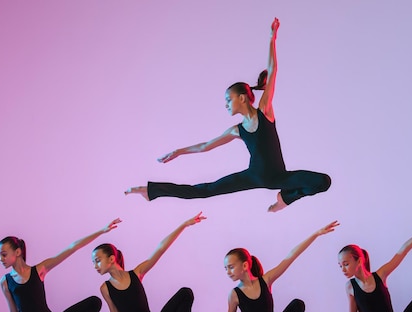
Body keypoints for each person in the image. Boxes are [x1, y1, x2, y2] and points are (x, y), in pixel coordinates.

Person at [125, 17, 330, 212]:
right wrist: (178, 151)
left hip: (279, 178)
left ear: (242, 98)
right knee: (204, 190)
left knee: (322, 182)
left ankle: (285, 199)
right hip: (253, 176)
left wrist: (272, 38)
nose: (226, 105)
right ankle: (151, 191)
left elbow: (272, 69)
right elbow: (205, 146)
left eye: (228, 99)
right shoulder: (236, 130)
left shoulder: (265, 110)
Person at [119, 220, 340, 312]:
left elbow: (291, 256)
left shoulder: (266, 281)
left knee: (298, 309)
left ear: (245, 265)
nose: (227, 271)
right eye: (225, 268)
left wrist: (316, 234)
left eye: (231, 266)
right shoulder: (235, 294)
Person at [0, 212, 205, 312]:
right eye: (93, 262)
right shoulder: (105, 288)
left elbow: (160, 248)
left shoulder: (137, 273)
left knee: (185, 293)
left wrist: (184, 225)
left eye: (97, 260)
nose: (94, 265)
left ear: (111, 259)